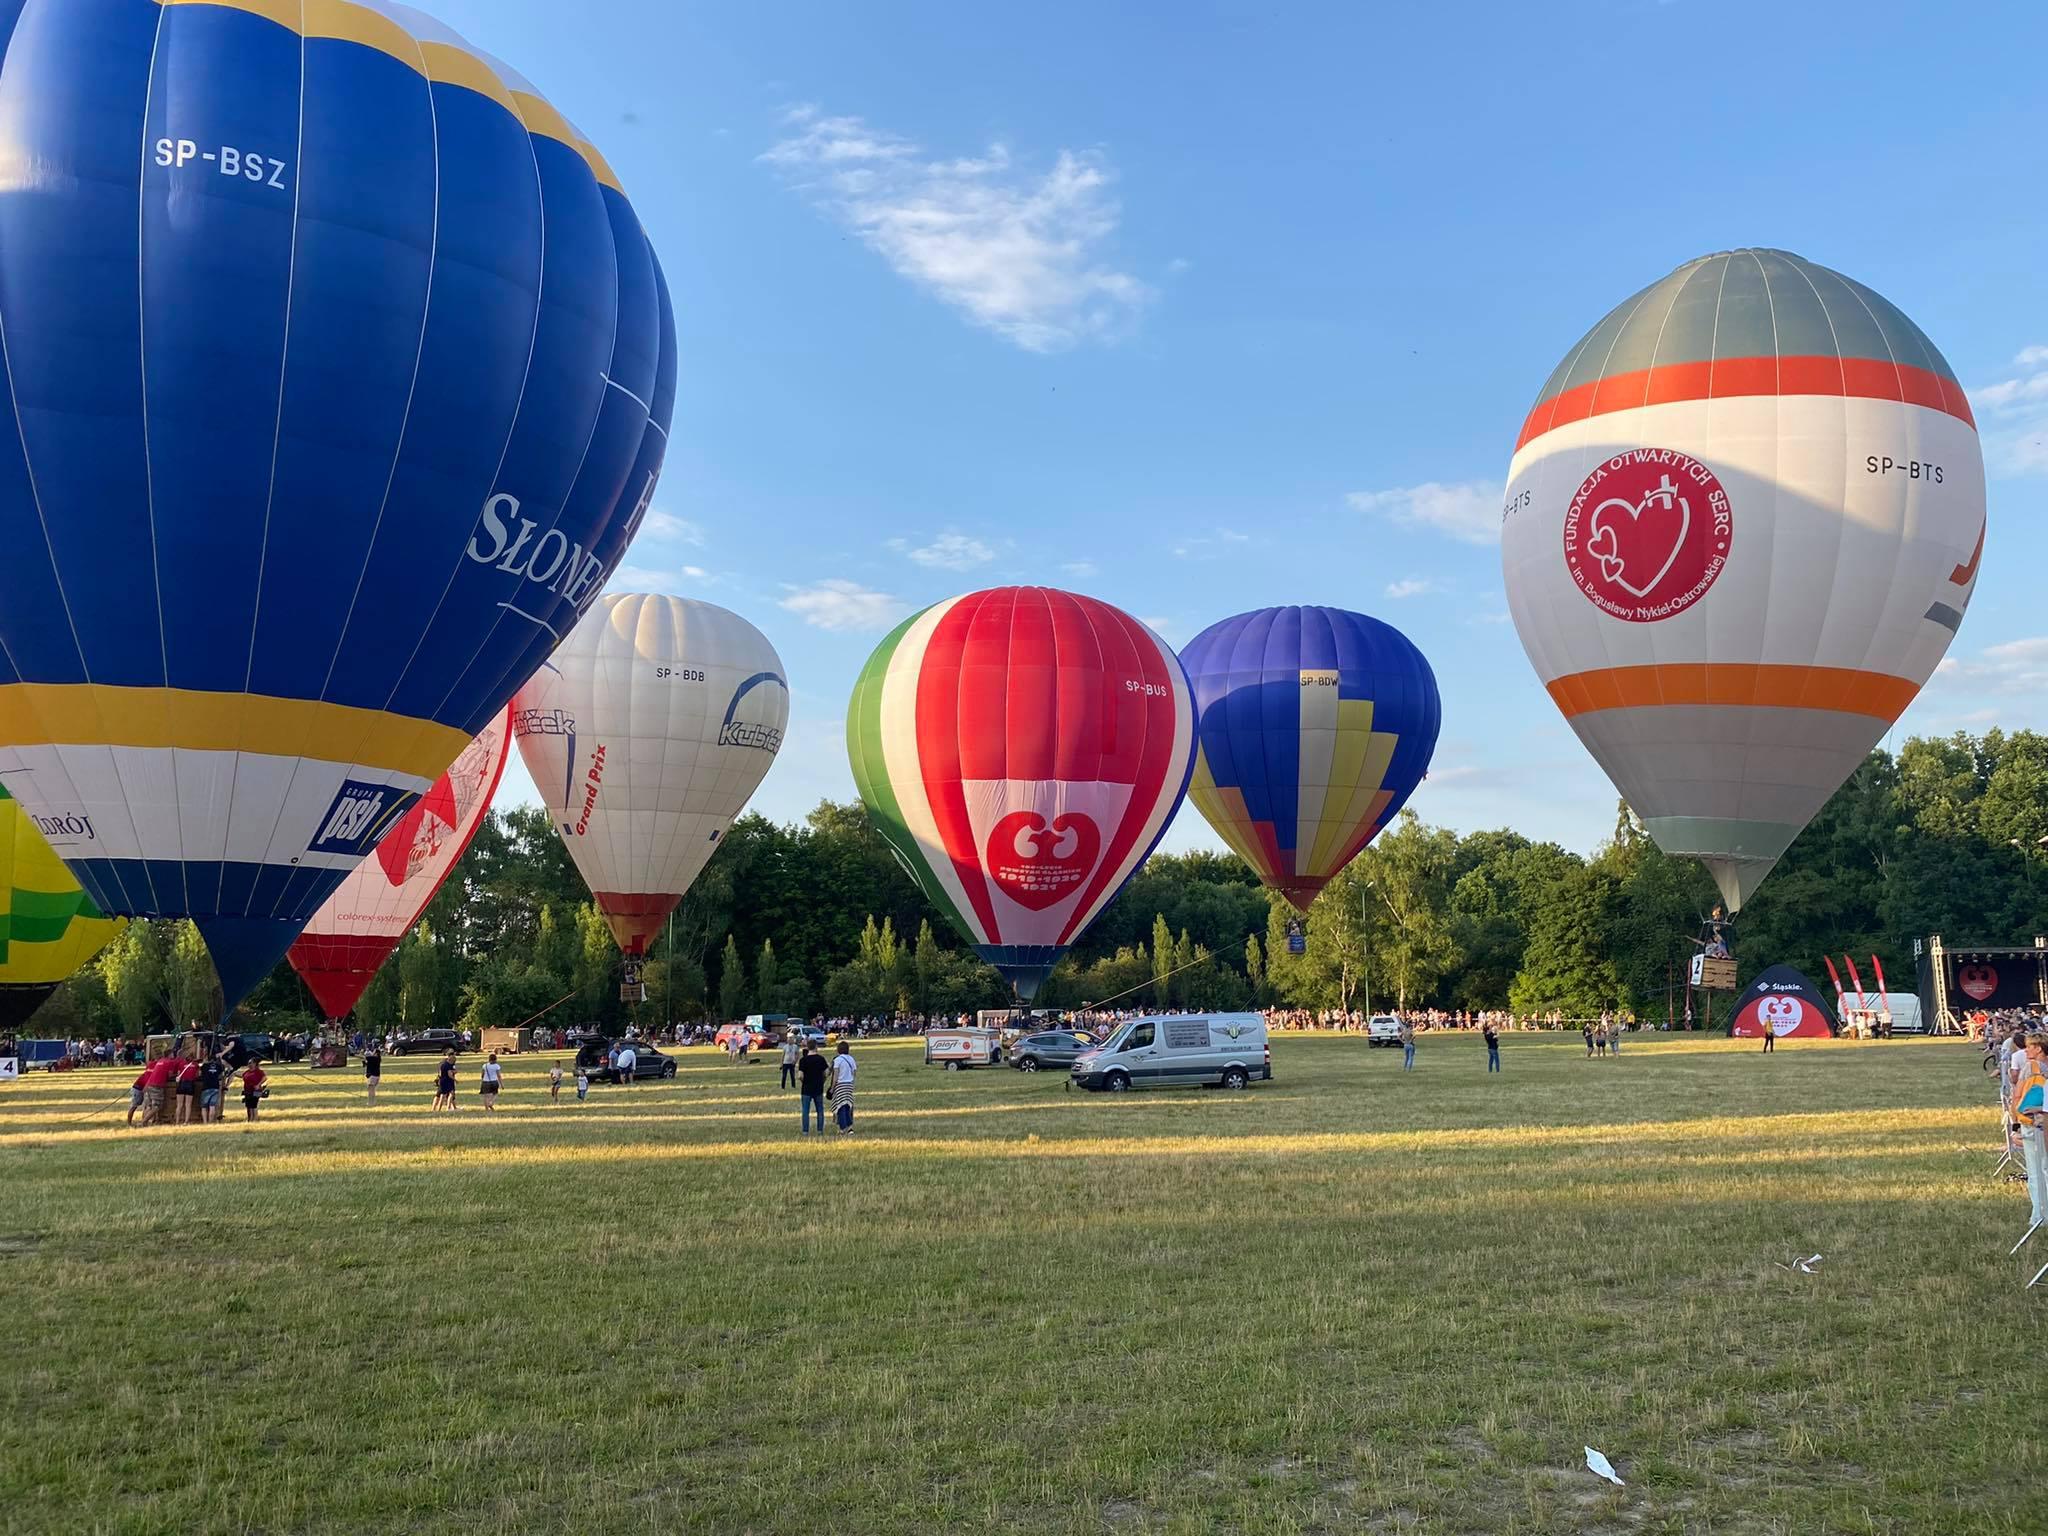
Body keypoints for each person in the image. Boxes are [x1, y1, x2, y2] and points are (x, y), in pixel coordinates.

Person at [2014, 1037, 2048, 1233]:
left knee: (2035, 1171)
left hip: (2032, 1122)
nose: (2025, 1051)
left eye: (2029, 1047)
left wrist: (2015, 1124)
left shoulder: (2031, 1067)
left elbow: (2018, 1095)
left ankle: (2039, 1215)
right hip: (2042, 1120)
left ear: (2039, 1048)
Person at [798, 1043, 830, 1135]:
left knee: (805, 1110)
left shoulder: (803, 1060)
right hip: (818, 1088)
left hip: (806, 1088)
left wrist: (804, 1082)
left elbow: (800, 1075)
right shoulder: (821, 1059)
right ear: (816, 1047)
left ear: (808, 1048)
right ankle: (820, 1130)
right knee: (820, 1110)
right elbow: (826, 1073)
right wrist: (823, 1080)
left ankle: (805, 1131)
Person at [831, 1041, 857, 1134]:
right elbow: (854, 1072)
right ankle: (850, 1127)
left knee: (840, 1106)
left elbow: (836, 1075)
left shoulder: (837, 1060)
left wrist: (832, 1087)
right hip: (849, 1085)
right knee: (848, 1106)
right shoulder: (851, 1059)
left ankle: (843, 1128)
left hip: (840, 1085)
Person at [198, 1052, 225, 1124]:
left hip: (206, 1086)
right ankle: (211, 1122)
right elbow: (221, 1074)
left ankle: (205, 1122)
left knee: (204, 1107)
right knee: (212, 1106)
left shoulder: (205, 1065)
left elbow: (200, 1074)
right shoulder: (218, 1066)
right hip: (215, 1087)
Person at [172, 1054, 200, 1124]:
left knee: (179, 1105)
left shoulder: (181, 1064)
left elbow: (178, 1074)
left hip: (181, 1084)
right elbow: (198, 1075)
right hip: (190, 1084)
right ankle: (186, 1121)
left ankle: (177, 1121)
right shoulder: (196, 1065)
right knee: (188, 1105)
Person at [363, 1043, 382, 1107]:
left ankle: (371, 1103)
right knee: (371, 1089)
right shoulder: (377, 1059)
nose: (372, 1053)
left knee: (371, 1091)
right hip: (376, 1076)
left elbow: (365, 1057)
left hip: (373, 1076)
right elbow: (368, 1063)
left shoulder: (374, 1058)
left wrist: (354, 1055)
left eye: (373, 1052)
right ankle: (372, 1102)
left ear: (376, 1053)